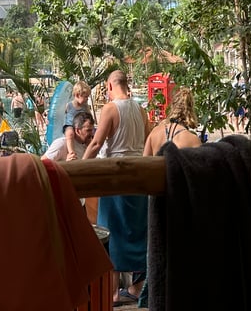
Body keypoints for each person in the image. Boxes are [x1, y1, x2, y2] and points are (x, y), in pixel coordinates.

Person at [83, 70, 149, 304]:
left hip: (115, 179)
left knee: (112, 234)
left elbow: (96, 143)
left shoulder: (110, 109)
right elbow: (147, 145)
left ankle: (111, 294)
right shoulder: (141, 111)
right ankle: (138, 288)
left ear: (109, 86)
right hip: (138, 179)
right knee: (137, 232)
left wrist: (81, 168)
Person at [143, 86, 202, 157]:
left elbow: (145, 161)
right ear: (191, 111)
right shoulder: (193, 140)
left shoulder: (155, 132)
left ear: (172, 106)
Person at [62, 81, 92, 161]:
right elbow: (63, 115)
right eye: (85, 97)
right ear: (78, 95)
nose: (87, 99)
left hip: (81, 126)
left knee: (88, 136)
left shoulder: (85, 106)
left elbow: (89, 115)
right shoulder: (69, 105)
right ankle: (71, 152)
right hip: (70, 125)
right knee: (70, 133)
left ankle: (89, 153)